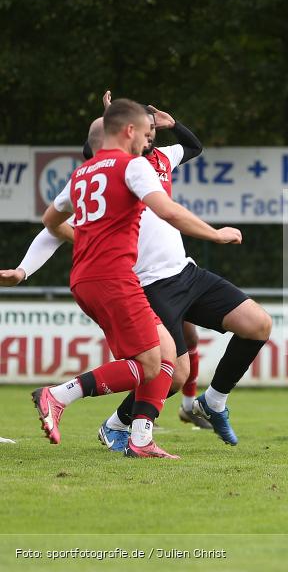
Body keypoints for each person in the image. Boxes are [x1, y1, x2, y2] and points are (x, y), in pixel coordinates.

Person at [5, 94, 271, 449]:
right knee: (166, 372)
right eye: (144, 132)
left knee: (256, 325)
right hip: (143, 283)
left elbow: (49, 223)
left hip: (182, 272)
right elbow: (169, 212)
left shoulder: (104, 171)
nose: (149, 138)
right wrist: (216, 233)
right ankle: (117, 425)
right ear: (127, 133)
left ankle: (209, 405)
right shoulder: (129, 168)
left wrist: (33, 266)